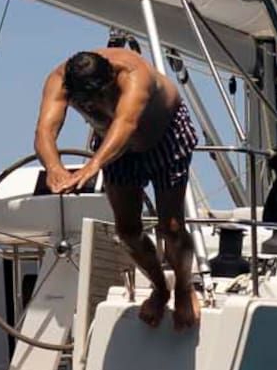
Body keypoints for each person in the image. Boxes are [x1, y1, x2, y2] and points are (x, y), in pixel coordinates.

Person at [34, 45, 201, 330]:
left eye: (103, 95)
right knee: (128, 232)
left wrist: (92, 166)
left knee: (171, 226)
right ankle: (161, 288)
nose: (99, 106)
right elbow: (44, 132)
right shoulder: (58, 82)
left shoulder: (133, 74)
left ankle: (184, 288)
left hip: (164, 137)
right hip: (116, 151)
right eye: (88, 103)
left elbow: (125, 124)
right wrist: (54, 169)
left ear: (112, 78)